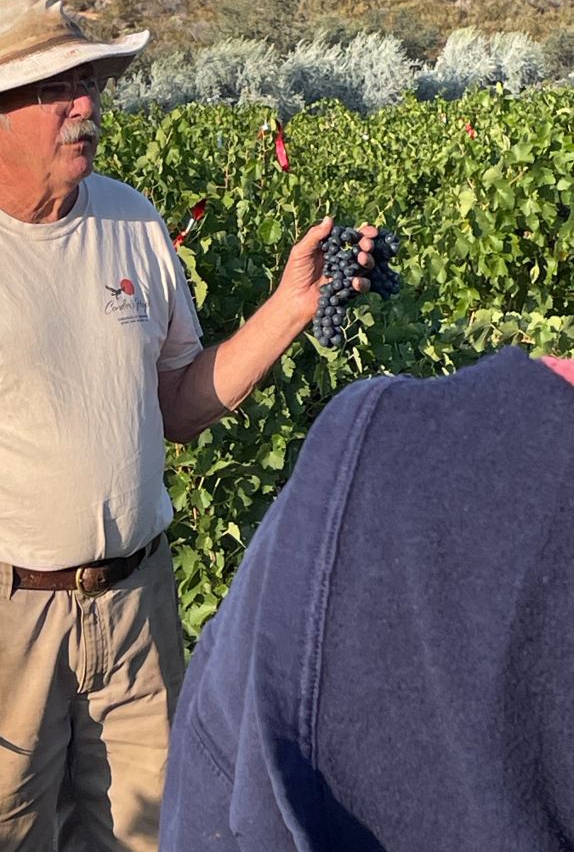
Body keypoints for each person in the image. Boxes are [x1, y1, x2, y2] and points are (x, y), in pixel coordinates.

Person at [0, 0, 376, 852]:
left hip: (136, 613)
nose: (84, 106)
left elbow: (179, 408)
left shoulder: (133, 220)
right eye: (55, 90)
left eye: (86, 83)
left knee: (163, 837)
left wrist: (290, 309)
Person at [160, 348, 574, 852]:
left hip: (134, 580)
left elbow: (215, 794)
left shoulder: (374, 463)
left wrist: (293, 307)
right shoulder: (373, 462)